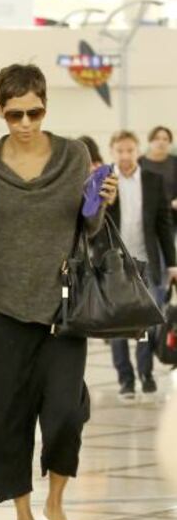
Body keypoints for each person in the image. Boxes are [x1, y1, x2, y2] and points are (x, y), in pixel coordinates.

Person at [0, 64, 117, 520]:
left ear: (46, 105)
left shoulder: (72, 155)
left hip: (62, 309)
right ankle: (24, 517)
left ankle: (57, 503)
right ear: (0, 110)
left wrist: (99, 203)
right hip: (1, 305)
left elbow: (86, 227)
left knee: (66, 411)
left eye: (35, 112)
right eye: (15, 113)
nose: (25, 122)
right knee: (6, 417)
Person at [97, 130, 177, 398]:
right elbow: (94, 224)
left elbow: (164, 226)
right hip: (115, 265)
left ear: (137, 150)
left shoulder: (153, 181)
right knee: (119, 324)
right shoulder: (105, 182)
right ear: (112, 151)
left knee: (146, 322)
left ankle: (146, 373)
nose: (125, 156)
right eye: (120, 151)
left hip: (146, 262)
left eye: (130, 150)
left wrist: (173, 263)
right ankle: (126, 379)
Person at [140, 126, 177, 227]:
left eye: (165, 139)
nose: (161, 142)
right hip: (145, 214)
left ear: (170, 142)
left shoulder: (175, 162)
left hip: (172, 213)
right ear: (150, 141)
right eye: (157, 138)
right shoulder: (139, 162)